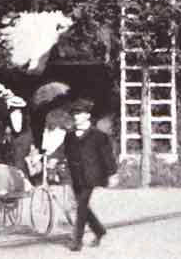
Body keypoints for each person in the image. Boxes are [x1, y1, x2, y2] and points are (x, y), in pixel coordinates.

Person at [63, 99, 117, 252]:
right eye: (74, 114)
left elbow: (107, 156)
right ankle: (99, 230)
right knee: (83, 206)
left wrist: (112, 173)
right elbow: (65, 153)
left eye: (79, 113)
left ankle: (77, 241)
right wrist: (55, 160)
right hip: (76, 176)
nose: (76, 116)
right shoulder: (69, 135)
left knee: (81, 206)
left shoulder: (98, 136)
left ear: (87, 115)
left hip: (91, 176)